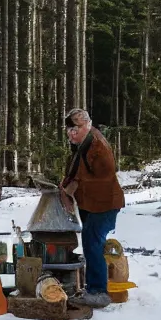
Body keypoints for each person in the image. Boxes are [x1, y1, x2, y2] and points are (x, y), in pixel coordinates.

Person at [60, 108, 125, 309]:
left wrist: (70, 189)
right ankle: (92, 286)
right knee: (91, 242)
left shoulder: (97, 146)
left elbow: (101, 177)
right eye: (69, 129)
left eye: (75, 129)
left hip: (103, 204)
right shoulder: (83, 143)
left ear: (87, 125)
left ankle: (98, 291)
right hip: (90, 203)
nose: (71, 133)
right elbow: (76, 171)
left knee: (92, 241)